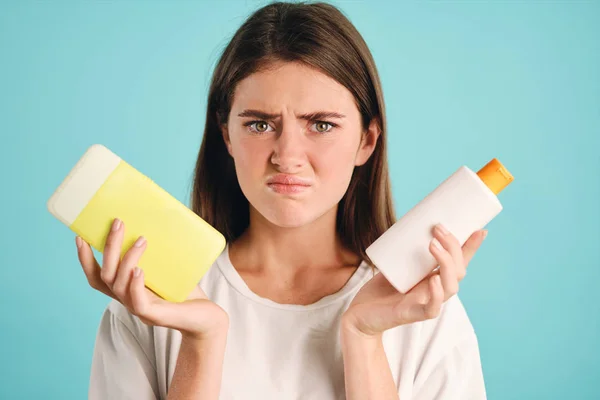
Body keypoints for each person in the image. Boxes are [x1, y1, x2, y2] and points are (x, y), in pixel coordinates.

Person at [78, 2, 488, 399]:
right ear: (227, 137)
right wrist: (202, 341)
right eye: (259, 124)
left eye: (321, 124)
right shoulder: (150, 306)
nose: (287, 156)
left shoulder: (424, 314)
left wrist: (363, 337)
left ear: (367, 140)